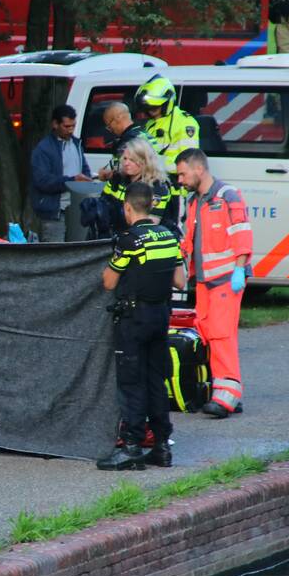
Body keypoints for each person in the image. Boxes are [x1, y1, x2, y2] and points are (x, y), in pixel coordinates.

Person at [96, 181, 186, 471]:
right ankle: (161, 446)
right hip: (161, 316)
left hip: (134, 319)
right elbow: (180, 281)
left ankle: (132, 446)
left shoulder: (130, 240)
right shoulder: (169, 236)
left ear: (127, 207)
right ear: (151, 205)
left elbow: (109, 282)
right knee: (156, 381)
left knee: (131, 382)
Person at [176, 149, 252, 419]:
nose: (180, 180)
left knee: (221, 335)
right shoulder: (195, 201)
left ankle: (226, 396)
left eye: (183, 174)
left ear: (198, 169)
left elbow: (242, 233)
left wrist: (239, 269)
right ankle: (227, 391)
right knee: (207, 332)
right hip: (204, 281)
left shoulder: (227, 196)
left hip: (226, 279)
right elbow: (189, 239)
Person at [136, 74, 200, 225]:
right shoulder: (151, 124)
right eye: (149, 107)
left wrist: (154, 165)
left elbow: (188, 162)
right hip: (151, 188)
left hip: (174, 192)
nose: (151, 110)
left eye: (155, 106)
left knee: (172, 231)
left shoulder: (185, 123)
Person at [30, 104, 93, 242]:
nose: (71, 130)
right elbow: (42, 181)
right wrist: (71, 181)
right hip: (54, 210)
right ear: (55, 124)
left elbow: (84, 169)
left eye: (73, 126)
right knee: (55, 248)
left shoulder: (76, 144)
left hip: (77, 208)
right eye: (66, 126)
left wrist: (89, 178)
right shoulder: (44, 149)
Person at [95, 102, 156, 235]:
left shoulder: (127, 142)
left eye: (109, 125)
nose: (110, 130)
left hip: (136, 198)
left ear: (117, 118)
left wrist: (107, 175)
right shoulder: (145, 134)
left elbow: (122, 171)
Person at [118, 137, 178, 236]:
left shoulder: (158, 185)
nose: (126, 163)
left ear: (145, 161)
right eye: (125, 158)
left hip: (152, 238)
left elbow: (151, 224)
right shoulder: (120, 179)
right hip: (124, 234)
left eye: (132, 160)